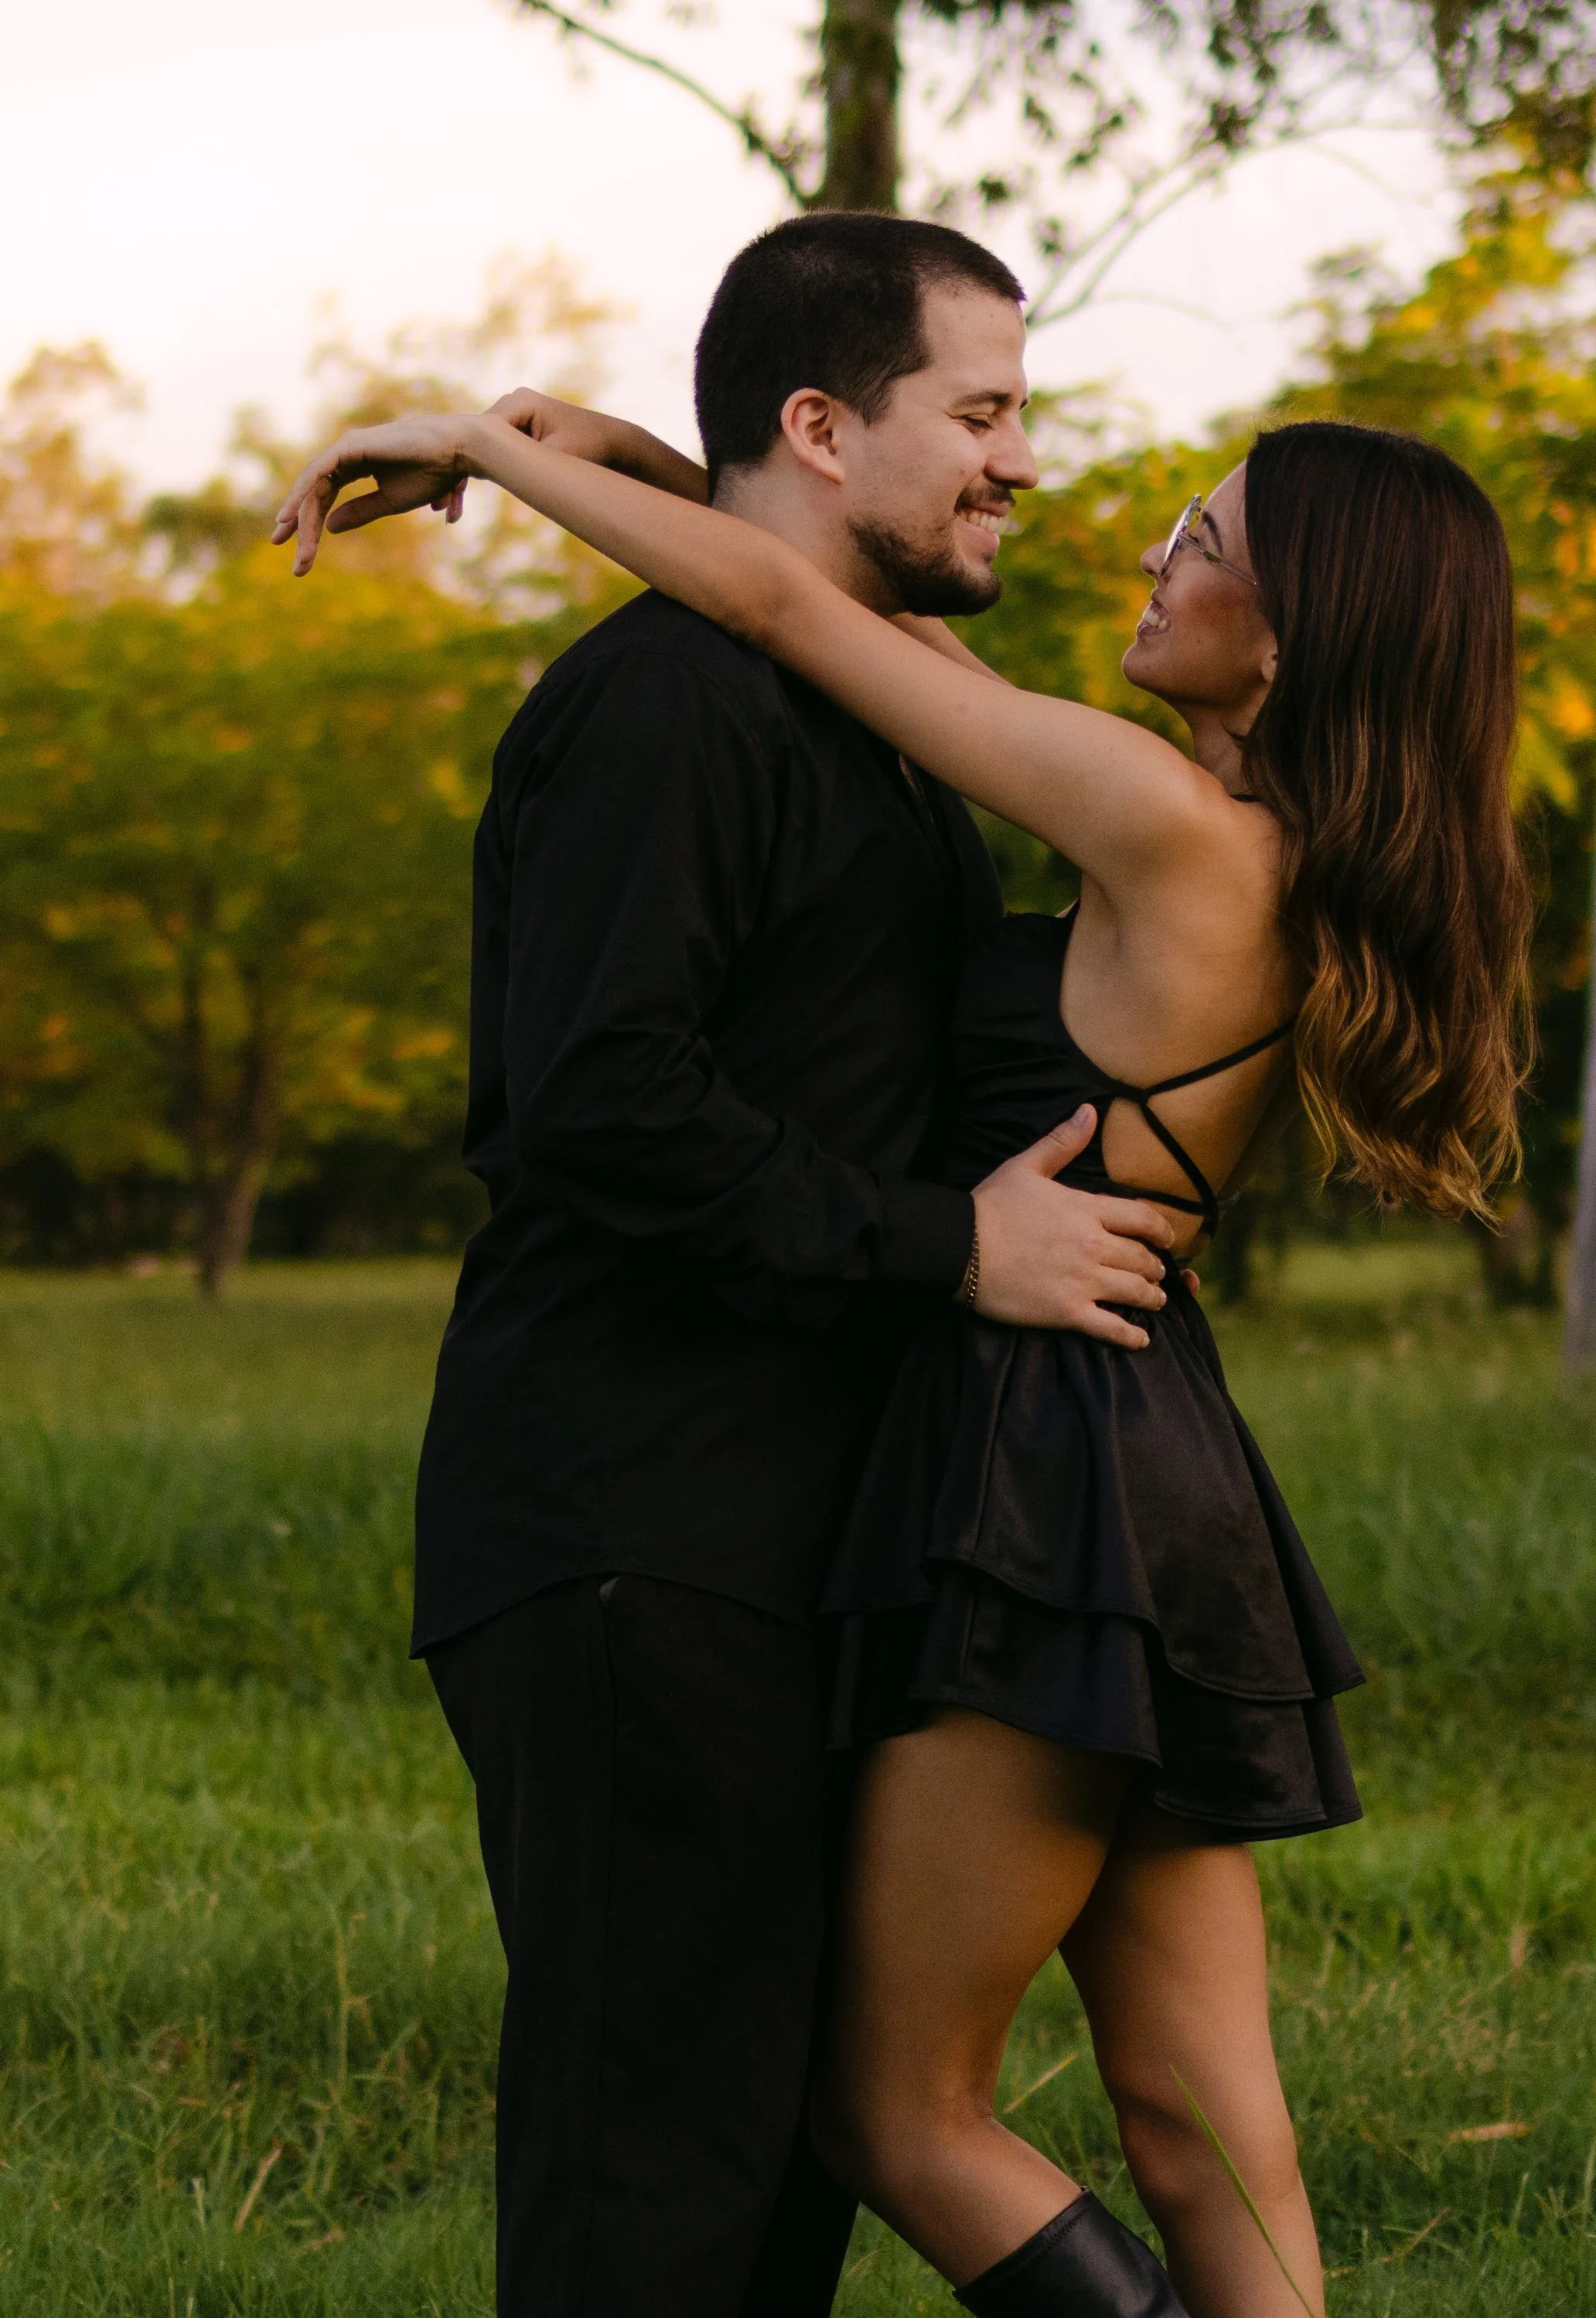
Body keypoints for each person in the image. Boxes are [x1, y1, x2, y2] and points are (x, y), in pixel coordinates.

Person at [279, 286, 1533, 2318]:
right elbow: (867, 634)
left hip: (1043, 1481)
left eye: (1203, 542)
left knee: (894, 2111)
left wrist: (501, 460)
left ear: (1295, 634)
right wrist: (639, 458)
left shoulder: (1164, 825)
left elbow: (805, 629)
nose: (1143, 542)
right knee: (1203, 2111)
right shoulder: (1244, 843)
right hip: (1164, 1472)